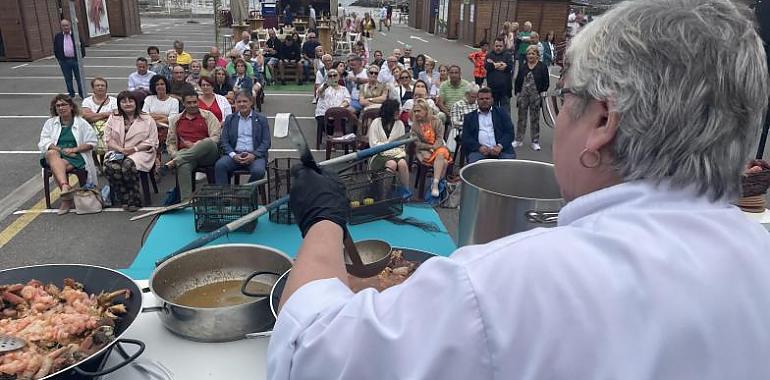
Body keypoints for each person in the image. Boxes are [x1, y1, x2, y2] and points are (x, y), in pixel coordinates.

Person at [267, 1, 770, 378]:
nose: (558, 114)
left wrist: (325, 221)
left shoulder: (503, 287)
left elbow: (308, 352)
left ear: (602, 120)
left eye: (564, 97)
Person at [38, 95, 97, 214]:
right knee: (51, 153)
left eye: (64, 104)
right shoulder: (50, 123)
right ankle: (65, 187)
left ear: (71, 106)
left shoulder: (81, 123)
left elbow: (91, 142)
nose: (61, 108)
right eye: (58, 105)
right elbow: (44, 141)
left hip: (76, 155)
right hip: (57, 154)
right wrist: (60, 149)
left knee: (56, 167)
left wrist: (74, 149)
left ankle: (66, 198)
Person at [103, 90, 158, 211]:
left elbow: (152, 141)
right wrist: (121, 149)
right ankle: (124, 196)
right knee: (110, 166)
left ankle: (134, 198)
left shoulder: (147, 118)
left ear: (136, 103)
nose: (127, 104)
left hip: (141, 152)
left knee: (128, 164)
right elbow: (107, 138)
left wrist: (134, 149)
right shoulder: (114, 117)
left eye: (130, 101)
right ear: (119, 104)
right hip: (118, 150)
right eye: (123, 101)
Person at [166, 90, 222, 201]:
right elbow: (170, 142)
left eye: (195, 102)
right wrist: (174, 154)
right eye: (189, 103)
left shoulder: (208, 116)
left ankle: (177, 160)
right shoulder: (175, 120)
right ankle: (186, 201)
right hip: (186, 156)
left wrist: (197, 145)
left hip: (207, 154)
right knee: (183, 165)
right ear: (184, 104)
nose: (192, 105)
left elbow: (216, 137)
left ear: (198, 102)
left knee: (208, 142)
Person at [215, 90, 271, 185]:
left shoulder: (261, 120)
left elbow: (266, 142)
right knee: (220, 165)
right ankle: (224, 195)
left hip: (255, 156)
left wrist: (254, 155)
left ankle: (244, 193)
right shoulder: (230, 119)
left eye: (245, 101)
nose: (242, 104)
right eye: (239, 102)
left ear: (251, 102)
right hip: (235, 155)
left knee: (259, 171)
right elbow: (224, 141)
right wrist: (233, 155)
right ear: (235, 103)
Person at [461, 87, 515, 163]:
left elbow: (510, 133)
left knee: (508, 165)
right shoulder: (469, 117)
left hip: (502, 150)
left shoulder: (501, 113)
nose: (484, 101)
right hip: (478, 152)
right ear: (477, 100)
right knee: (474, 166)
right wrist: (479, 147)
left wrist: (500, 146)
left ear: (492, 100)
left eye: (487, 98)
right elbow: (466, 137)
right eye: (481, 99)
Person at [410, 99, 450, 197]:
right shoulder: (415, 126)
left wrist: (434, 147)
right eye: (415, 111)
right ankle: (437, 185)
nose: (416, 113)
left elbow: (440, 138)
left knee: (441, 153)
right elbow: (417, 143)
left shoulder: (436, 121)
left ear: (426, 110)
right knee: (443, 161)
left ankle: (435, 184)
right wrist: (430, 147)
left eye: (419, 111)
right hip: (423, 151)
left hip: (438, 148)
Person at [514, 45, 549, 151]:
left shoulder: (542, 66)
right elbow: (518, 80)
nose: (530, 56)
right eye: (529, 54)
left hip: (536, 96)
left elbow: (546, 81)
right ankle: (519, 139)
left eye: (533, 53)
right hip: (523, 95)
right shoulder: (524, 66)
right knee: (521, 118)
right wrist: (517, 92)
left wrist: (543, 91)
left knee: (535, 119)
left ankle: (535, 141)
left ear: (537, 55)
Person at [368, 99, 409, 187]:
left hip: (396, 154)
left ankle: (406, 192)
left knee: (403, 163)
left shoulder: (400, 124)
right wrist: (389, 146)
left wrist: (390, 148)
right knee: (391, 164)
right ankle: (385, 194)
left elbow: (401, 146)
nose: (399, 112)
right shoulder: (376, 123)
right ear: (389, 111)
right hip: (378, 154)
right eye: (396, 110)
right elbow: (373, 144)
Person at [81, 77, 118, 162]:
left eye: (102, 85)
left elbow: (116, 116)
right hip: (91, 129)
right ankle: (96, 163)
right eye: (97, 85)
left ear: (106, 88)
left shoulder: (114, 101)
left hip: (110, 128)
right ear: (93, 88)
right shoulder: (87, 101)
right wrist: (106, 114)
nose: (100, 87)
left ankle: (105, 161)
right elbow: (87, 117)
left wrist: (95, 116)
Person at [315, 69, 353, 143]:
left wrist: (339, 108)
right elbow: (319, 93)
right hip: (324, 113)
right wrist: (325, 86)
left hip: (338, 112)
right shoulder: (324, 87)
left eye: (334, 75)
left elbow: (347, 100)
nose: (332, 77)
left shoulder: (343, 89)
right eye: (330, 76)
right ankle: (331, 141)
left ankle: (338, 139)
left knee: (339, 118)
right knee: (328, 121)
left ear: (338, 77)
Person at [53, 19, 85, 99]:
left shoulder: (76, 35)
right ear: (61, 27)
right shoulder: (58, 36)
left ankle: (82, 94)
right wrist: (59, 60)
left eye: (67, 25)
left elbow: (82, 46)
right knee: (68, 79)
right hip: (64, 61)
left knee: (79, 78)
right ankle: (71, 94)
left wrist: (80, 57)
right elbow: (56, 48)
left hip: (75, 60)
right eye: (63, 26)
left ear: (70, 26)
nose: (65, 27)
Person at [485, 37, 515, 114]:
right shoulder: (489, 55)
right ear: (493, 46)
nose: (498, 48)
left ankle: (505, 125)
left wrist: (495, 65)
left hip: (505, 89)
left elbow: (510, 67)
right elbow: (487, 66)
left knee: (505, 111)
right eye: (497, 46)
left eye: (500, 46)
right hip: (492, 89)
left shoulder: (508, 55)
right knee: (493, 111)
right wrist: (499, 65)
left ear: (504, 46)